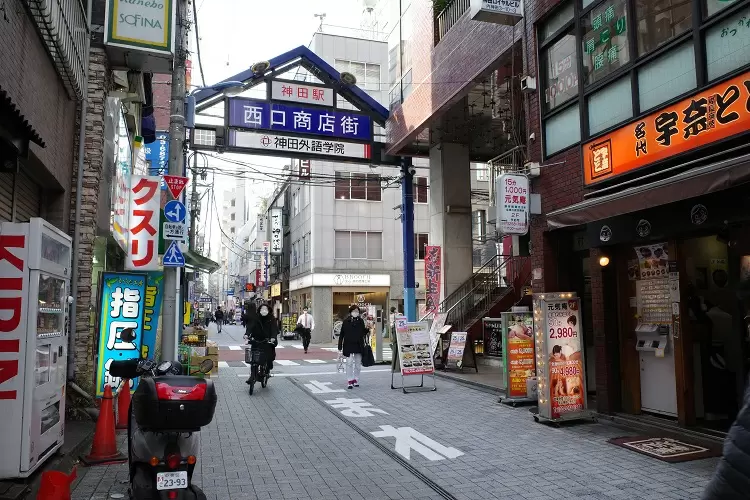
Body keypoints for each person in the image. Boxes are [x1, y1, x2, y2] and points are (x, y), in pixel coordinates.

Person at [245, 302, 278, 383]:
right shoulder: (256, 318)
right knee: (254, 360)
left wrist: (273, 338)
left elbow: (274, 329)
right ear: (259, 310)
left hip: (268, 340)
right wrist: (247, 334)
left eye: (265, 309)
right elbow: (250, 327)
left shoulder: (272, 319)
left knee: (269, 356)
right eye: (262, 309)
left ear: (268, 310)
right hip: (257, 340)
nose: (263, 311)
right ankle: (252, 376)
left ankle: (267, 370)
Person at [338, 304, 368, 390]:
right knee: (349, 363)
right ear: (351, 312)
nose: (356, 313)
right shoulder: (346, 321)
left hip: (358, 344)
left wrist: (367, 329)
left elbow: (363, 333)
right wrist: (339, 347)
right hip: (348, 345)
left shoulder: (361, 321)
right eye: (354, 311)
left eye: (357, 311)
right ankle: (349, 380)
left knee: (358, 364)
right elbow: (341, 335)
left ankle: (356, 379)